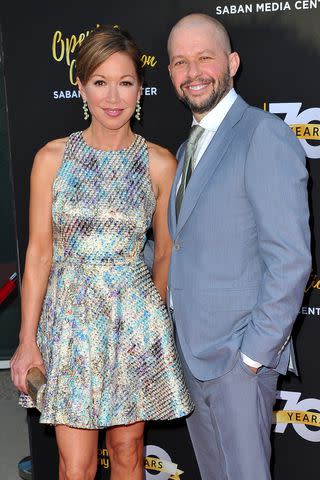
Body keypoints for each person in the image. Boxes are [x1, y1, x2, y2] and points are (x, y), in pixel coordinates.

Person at [10, 25, 193, 480]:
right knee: (77, 465)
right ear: (80, 87)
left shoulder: (159, 162)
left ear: (140, 90)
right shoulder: (52, 158)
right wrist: (27, 338)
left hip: (133, 319)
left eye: (126, 82)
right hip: (69, 321)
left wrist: (152, 326)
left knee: (129, 450)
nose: (114, 96)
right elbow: (38, 255)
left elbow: (166, 253)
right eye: (100, 82)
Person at [167, 13, 311, 480]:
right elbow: (185, 246)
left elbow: (290, 260)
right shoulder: (187, 149)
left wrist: (251, 358)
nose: (192, 73)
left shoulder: (263, 135)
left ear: (231, 62)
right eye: (179, 62)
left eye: (204, 58)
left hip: (236, 361)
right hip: (191, 352)